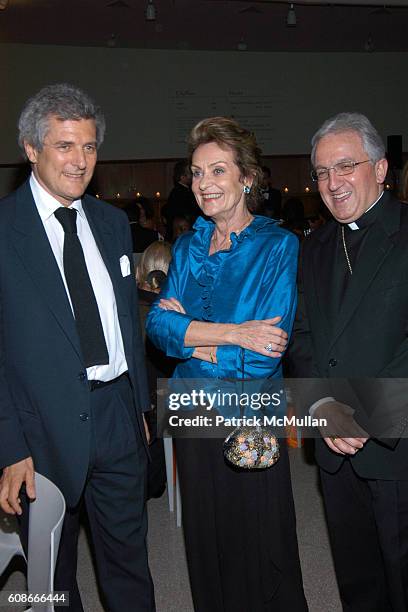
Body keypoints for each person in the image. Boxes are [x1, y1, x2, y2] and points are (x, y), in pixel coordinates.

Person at [0, 84, 155, 612]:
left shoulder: (112, 224)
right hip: (37, 428)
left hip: (116, 413)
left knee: (129, 559)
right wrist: (9, 448)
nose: (80, 160)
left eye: (89, 147)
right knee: (51, 573)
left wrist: (141, 407)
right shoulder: (3, 230)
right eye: (65, 145)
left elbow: (125, 329)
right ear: (30, 149)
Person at [146, 117, 307, 611]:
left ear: (247, 178)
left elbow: (261, 361)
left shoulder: (278, 246)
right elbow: (156, 328)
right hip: (194, 410)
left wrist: (190, 337)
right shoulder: (190, 245)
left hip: (249, 416)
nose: (204, 184)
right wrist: (233, 333)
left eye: (218, 170)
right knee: (204, 540)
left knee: (256, 543)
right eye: (196, 173)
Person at [288, 112, 408, 611]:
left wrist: (362, 411)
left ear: (380, 169)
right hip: (334, 439)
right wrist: (322, 406)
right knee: (356, 577)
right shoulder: (313, 246)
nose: (331, 183)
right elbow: (302, 337)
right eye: (321, 172)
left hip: (397, 441)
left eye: (344, 167)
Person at [161, 159, 201, 237]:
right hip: (182, 234)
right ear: (182, 177)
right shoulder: (181, 193)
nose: (193, 175)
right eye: (190, 173)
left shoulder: (179, 192)